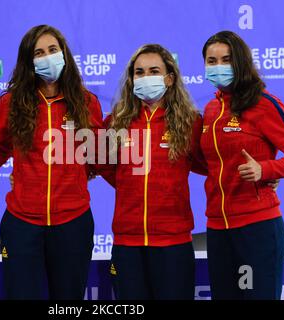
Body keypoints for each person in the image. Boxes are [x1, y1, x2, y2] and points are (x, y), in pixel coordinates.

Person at [0, 24, 103, 300]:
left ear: (64, 53)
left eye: (53, 50)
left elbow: (97, 155)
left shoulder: (87, 102)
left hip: (73, 223)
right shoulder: (12, 103)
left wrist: (77, 175)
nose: (47, 57)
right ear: (29, 62)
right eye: (38, 53)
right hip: (22, 224)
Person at [200, 30, 284, 300]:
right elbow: (211, 163)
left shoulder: (263, 103)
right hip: (217, 229)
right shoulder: (210, 110)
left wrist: (266, 169)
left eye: (226, 60)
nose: (218, 67)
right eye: (211, 61)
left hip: (256, 229)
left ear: (241, 62)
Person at [96, 44, 206, 300]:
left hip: (173, 242)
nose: (146, 77)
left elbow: (214, 162)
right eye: (139, 72)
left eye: (154, 71)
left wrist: (266, 172)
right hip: (127, 244)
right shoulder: (115, 122)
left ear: (169, 78)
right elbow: (103, 164)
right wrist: (128, 183)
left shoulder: (190, 122)